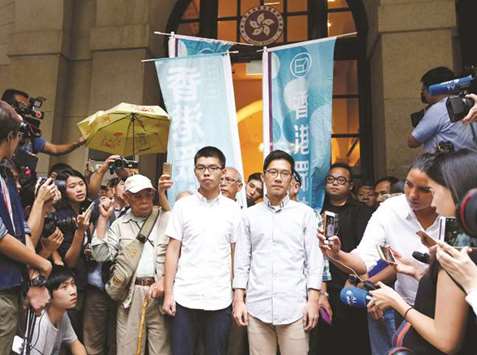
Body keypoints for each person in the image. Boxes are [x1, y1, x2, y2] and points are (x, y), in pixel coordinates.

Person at [319, 155, 440, 355]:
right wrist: (336, 254)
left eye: (424, 189)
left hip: (447, 309)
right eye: (408, 185)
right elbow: (363, 262)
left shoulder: (452, 211)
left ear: (442, 188)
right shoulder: (391, 209)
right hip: (405, 307)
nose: (412, 195)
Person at [369, 149, 477, 354]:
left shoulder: (455, 255)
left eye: (434, 193)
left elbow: (446, 340)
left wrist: (396, 301)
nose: (434, 204)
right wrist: (419, 273)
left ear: (455, 192)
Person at [233, 150, 323, 355]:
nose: (278, 177)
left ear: (291, 179)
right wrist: (239, 300)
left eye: (284, 173)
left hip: (295, 307)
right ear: (264, 176)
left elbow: (314, 261)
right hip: (257, 307)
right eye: (273, 172)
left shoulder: (305, 214)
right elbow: (242, 261)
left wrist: (313, 301)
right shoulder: (248, 216)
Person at [163, 146, 242, 355]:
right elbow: (172, 250)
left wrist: (237, 294)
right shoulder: (183, 206)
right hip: (184, 295)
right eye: (201, 168)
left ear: (223, 172)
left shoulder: (233, 210)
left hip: (220, 297)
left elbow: (236, 254)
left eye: (213, 167)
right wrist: (169, 293)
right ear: (195, 171)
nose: (206, 173)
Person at [91, 174, 171, 355]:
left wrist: (165, 282)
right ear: (126, 197)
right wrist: (103, 218)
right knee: (128, 350)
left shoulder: (165, 217)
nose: (144, 200)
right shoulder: (120, 225)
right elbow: (100, 254)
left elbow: (178, 253)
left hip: (160, 291)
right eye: (138, 196)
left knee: (161, 351)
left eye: (148, 194)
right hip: (130, 294)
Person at [0, 100, 52, 353]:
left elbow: (20, 230)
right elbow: (0, 235)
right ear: (11, 136)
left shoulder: (6, 175)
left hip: (11, 286)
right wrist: (42, 263)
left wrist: (33, 272)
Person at [313, 163, 372, 354]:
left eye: (341, 180)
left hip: (351, 282)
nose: (334, 184)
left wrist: (354, 278)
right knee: (326, 340)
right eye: (330, 179)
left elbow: (365, 249)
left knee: (353, 338)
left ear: (350, 185)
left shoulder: (360, 211)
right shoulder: (317, 208)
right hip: (323, 282)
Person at [54, 169, 92, 338]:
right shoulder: (61, 217)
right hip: (67, 282)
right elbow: (69, 260)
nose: (79, 189)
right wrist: (80, 232)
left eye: (81, 184)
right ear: (63, 190)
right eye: (72, 186)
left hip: (83, 282)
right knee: (68, 335)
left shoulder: (85, 209)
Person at [407, 67, 477, 153]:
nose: (423, 94)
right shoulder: (467, 101)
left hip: (448, 164)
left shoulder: (438, 109)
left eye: (423, 90)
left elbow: (412, 142)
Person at [1, 89, 85, 156]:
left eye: (27, 107)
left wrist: (77, 143)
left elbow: (54, 149)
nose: (26, 110)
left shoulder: (27, 130)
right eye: (21, 106)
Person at [29, 266, 87, 355]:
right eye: (64, 287)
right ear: (48, 294)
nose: (73, 292)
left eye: (73, 284)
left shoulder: (62, 314)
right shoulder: (40, 323)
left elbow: (75, 344)